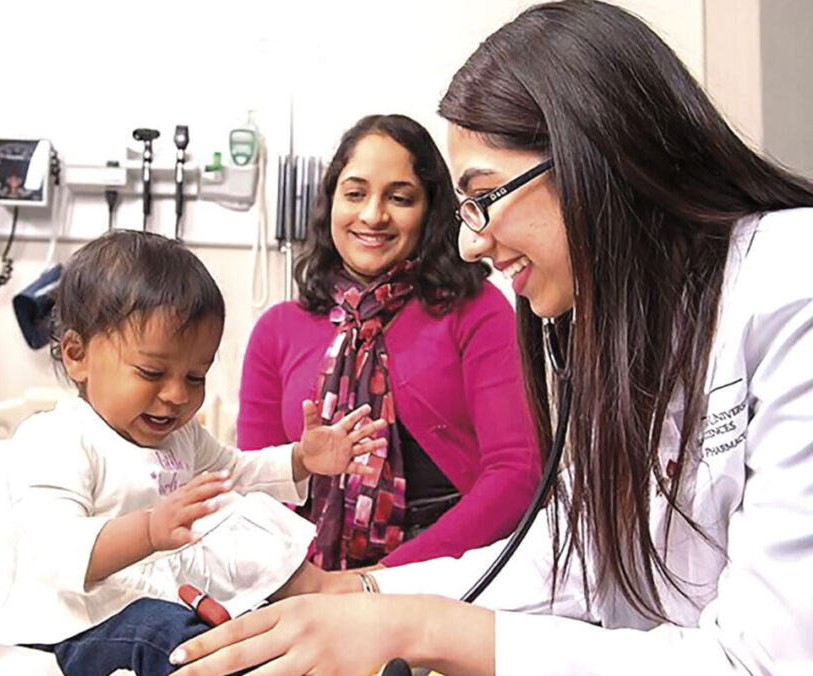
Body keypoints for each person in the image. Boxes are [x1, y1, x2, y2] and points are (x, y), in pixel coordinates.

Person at [169, 2, 813, 674]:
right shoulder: (628, 326)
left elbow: (766, 662)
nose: (473, 242)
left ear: (594, 153)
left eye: (482, 197)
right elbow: (570, 553)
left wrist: (414, 625)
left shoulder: (792, 287)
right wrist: (351, 595)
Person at [0, 229, 388, 676]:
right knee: (169, 634)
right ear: (78, 355)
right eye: (152, 372)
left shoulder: (182, 437)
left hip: (147, 598)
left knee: (241, 559)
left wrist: (301, 460)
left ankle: (334, 636)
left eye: (195, 377)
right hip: (74, 621)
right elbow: (55, 552)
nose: (175, 395)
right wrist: (150, 530)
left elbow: (236, 472)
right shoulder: (60, 438)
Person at [238, 114, 540, 570]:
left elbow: (518, 474)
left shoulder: (477, 310)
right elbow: (254, 492)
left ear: (431, 210)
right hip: (305, 578)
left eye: (399, 198)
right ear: (330, 202)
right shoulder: (277, 330)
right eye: (355, 193)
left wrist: (379, 582)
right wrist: (299, 585)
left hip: (447, 574)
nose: (373, 215)